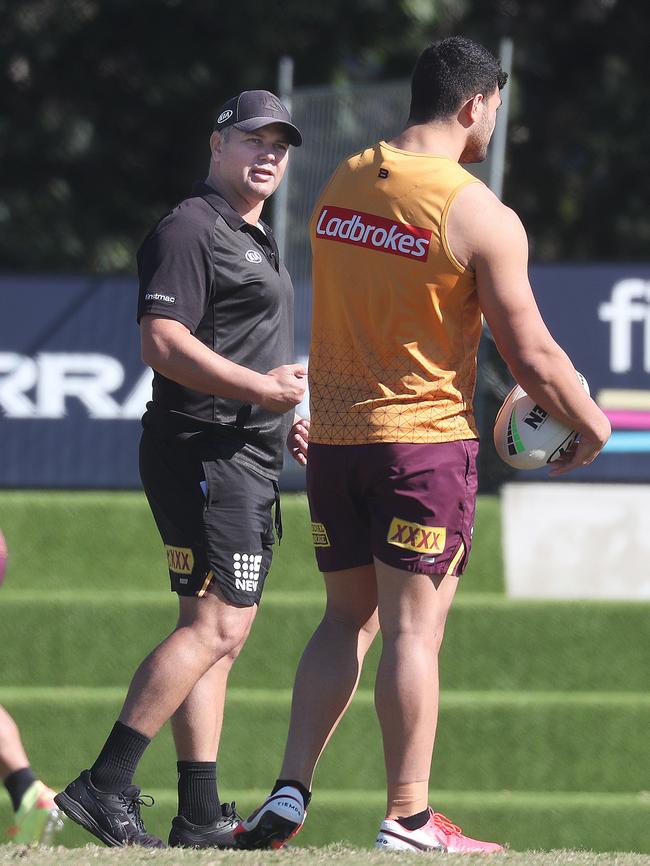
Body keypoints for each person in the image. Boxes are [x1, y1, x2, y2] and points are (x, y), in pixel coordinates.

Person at [234, 38, 611, 853]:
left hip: (335, 442)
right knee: (413, 634)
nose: (493, 122)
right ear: (475, 104)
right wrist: (593, 420)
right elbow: (533, 354)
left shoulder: (340, 180)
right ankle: (408, 816)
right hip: (421, 448)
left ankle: (289, 793)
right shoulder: (478, 212)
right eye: (496, 108)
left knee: (344, 621)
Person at [55, 90, 307, 849]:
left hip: (245, 453)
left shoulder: (253, 234)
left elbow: (242, 342)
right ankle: (105, 783)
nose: (268, 154)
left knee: (224, 631)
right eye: (253, 139)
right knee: (213, 623)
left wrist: (281, 411)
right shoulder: (191, 227)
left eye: (281, 144)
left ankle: (199, 814)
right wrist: (259, 390)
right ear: (216, 144)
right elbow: (162, 341)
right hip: (203, 453)